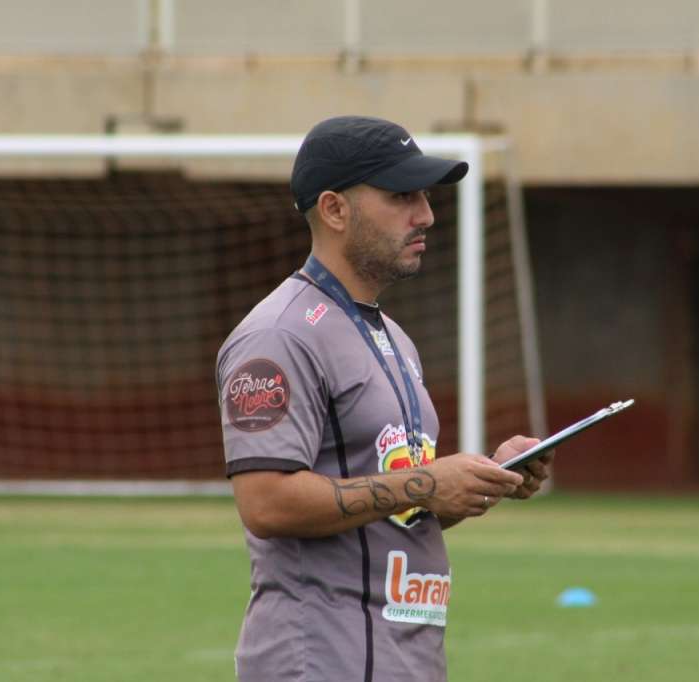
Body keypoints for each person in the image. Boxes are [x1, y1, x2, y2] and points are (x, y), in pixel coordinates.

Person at [216, 115, 552, 682]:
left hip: (400, 658)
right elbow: (266, 503)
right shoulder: (279, 335)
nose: (425, 214)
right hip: (321, 662)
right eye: (402, 195)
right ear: (335, 209)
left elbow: (387, 513)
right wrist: (426, 482)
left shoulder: (391, 336)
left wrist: (480, 479)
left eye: (424, 195)